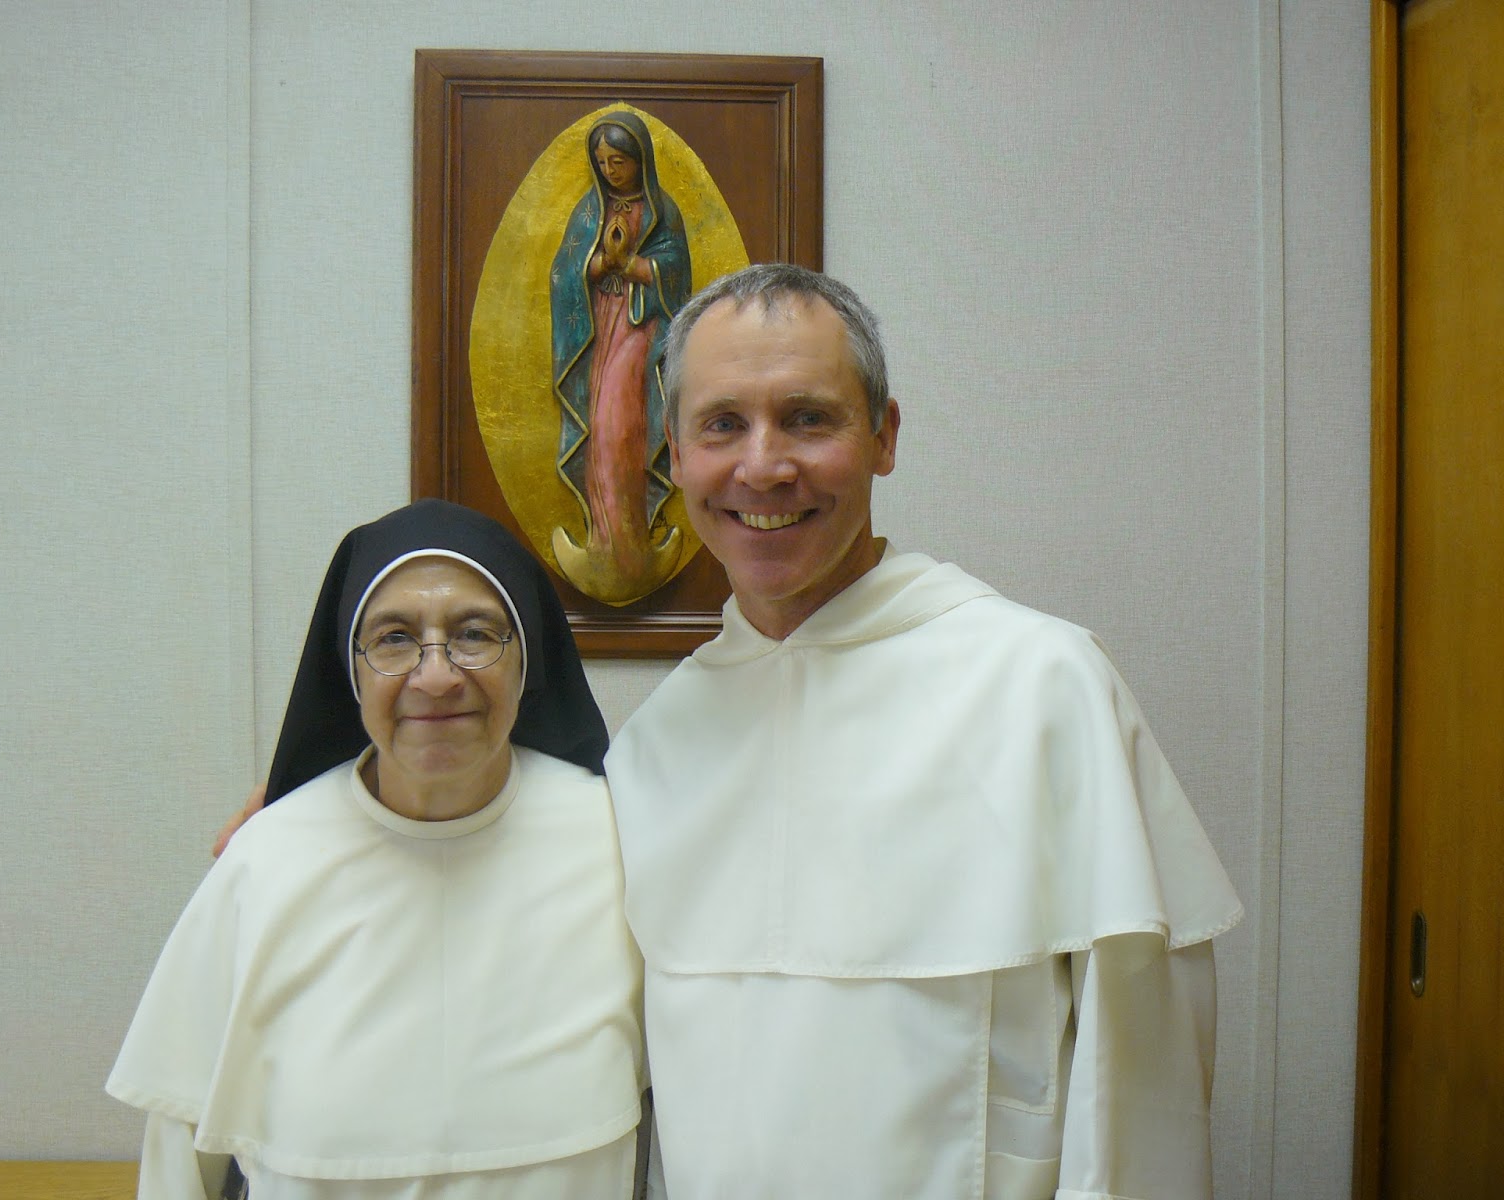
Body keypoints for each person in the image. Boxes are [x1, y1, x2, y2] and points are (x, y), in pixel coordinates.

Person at [604, 263, 1244, 1198]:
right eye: (722, 424)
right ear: (674, 453)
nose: (763, 466)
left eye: (808, 418)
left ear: (884, 437)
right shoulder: (652, 747)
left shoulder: (1042, 684)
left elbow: (1142, 1088)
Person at [112, 499, 646, 1199]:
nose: (436, 676)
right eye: (394, 638)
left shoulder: (621, 841)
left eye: (475, 634)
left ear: (527, 661)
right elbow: (178, 1159)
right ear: (351, 670)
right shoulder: (265, 862)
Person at [549, 110, 692, 603]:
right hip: (597, 334)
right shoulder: (589, 211)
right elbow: (563, 271)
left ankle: (632, 541)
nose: (610, 171)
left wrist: (632, 265)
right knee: (600, 430)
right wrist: (594, 266)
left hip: (641, 331)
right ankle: (604, 543)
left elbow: (678, 273)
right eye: (603, 162)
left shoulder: (662, 211)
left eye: (619, 161)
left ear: (640, 160)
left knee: (623, 427)